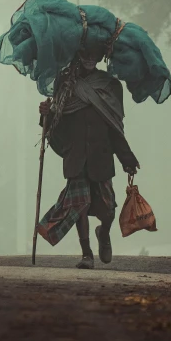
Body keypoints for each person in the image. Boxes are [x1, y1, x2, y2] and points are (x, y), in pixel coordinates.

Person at [37, 43, 140, 269]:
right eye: (85, 53)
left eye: (94, 53)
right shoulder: (65, 84)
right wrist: (46, 114)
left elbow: (115, 126)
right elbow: (57, 123)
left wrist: (127, 158)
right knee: (79, 206)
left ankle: (103, 233)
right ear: (77, 55)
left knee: (108, 209)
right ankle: (87, 254)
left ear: (101, 56)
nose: (89, 57)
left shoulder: (110, 86)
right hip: (75, 156)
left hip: (101, 156)